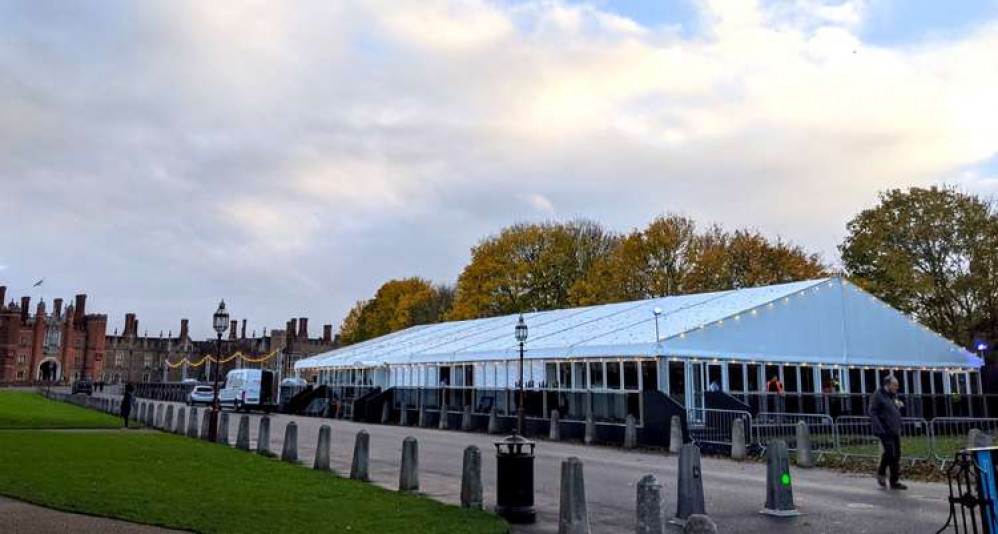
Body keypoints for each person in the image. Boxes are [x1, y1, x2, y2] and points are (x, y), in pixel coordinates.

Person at [869, 375, 907, 490]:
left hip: (894, 429)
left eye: (897, 385)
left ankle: (890, 479)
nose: (897, 387)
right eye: (895, 385)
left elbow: (894, 408)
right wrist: (879, 428)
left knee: (896, 454)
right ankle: (886, 476)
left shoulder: (892, 395)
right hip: (884, 430)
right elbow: (873, 412)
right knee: (891, 454)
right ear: (887, 384)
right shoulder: (878, 395)